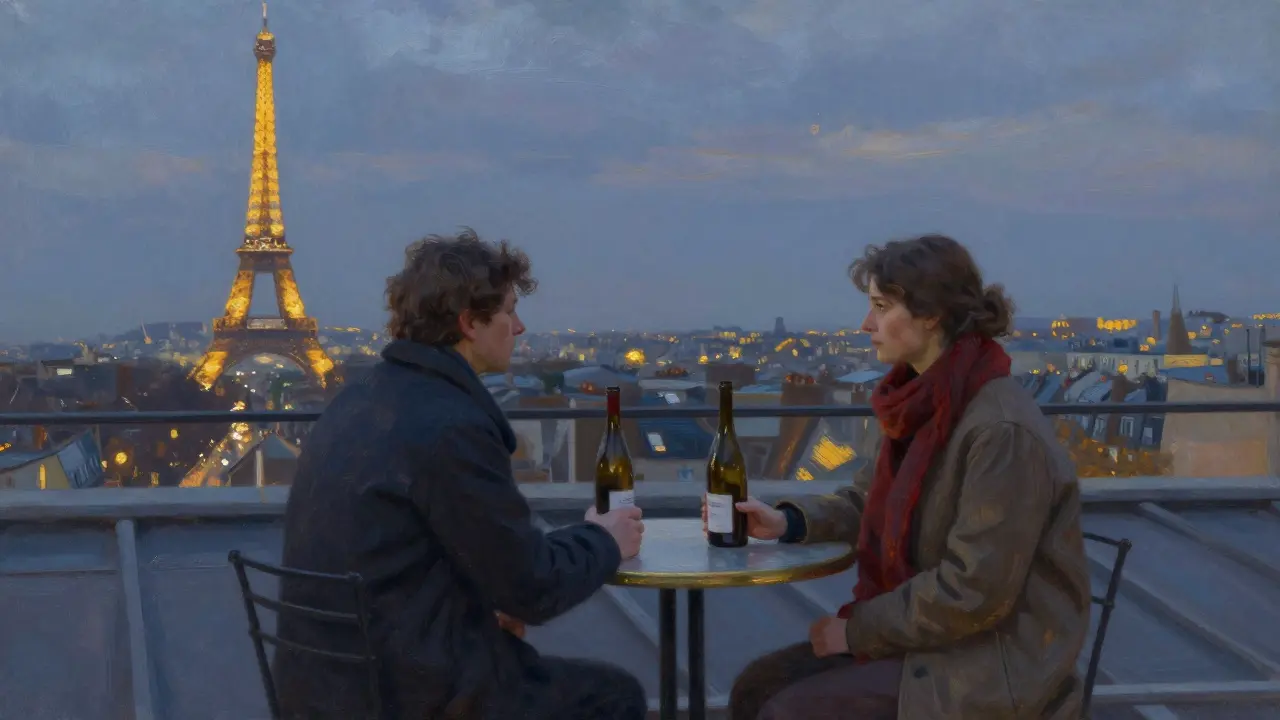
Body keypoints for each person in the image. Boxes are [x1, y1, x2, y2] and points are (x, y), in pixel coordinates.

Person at [273, 229, 649, 720]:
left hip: (326, 686)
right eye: (510, 310)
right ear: (470, 322)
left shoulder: (359, 399)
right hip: (412, 695)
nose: (518, 327)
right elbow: (532, 586)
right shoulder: (449, 425)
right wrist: (604, 539)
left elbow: (401, 553)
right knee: (615, 696)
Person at [721, 235, 1091, 719]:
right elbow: (868, 499)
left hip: (991, 663)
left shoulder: (1000, 431)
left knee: (785, 709)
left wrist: (854, 632)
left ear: (931, 314)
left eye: (880, 306)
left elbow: (973, 592)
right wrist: (789, 522)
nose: (866, 324)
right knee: (755, 689)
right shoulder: (924, 401)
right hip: (939, 642)